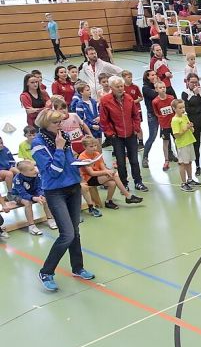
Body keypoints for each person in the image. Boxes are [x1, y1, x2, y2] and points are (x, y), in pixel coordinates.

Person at [30, 109, 95, 291]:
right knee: (67, 234)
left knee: (75, 231)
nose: (60, 126)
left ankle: (78, 267)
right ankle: (46, 272)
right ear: (45, 125)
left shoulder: (62, 136)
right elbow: (52, 171)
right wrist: (59, 148)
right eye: (56, 123)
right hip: (55, 192)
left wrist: (80, 164)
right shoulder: (38, 144)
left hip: (73, 187)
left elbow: (69, 160)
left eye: (60, 122)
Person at [99, 76, 147, 192]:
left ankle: (138, 182)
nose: (120, 88)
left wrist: (136, 128)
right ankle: (124, 183)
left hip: (131, 134)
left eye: (121, 86)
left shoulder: (129, 98)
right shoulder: (105, 101)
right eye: (117, 87)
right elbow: (104, 120)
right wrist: (110, 133)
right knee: (120, 162)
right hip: (117, 136)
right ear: (111, 88)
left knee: (134, 160)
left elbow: (135, 115)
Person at [76, 136, 142, 208]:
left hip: (98, 176)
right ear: (85, 147)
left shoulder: (97, 154)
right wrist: (107, 172)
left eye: (95, 145)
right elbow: (92, 173)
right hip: (88, 178)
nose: (94, 148)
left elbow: (103, 167)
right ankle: (128, 196)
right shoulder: (82, 157)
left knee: (112, 183)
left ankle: (108, 201)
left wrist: (107, 171)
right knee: (114, 175)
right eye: (91, 146)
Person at [11, 160, 56, 236]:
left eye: (34, 168)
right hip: (18, 195)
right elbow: (22, 193)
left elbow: (40, 187)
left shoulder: (37, 175)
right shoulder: (17, 179)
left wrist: (41, 195)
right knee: (27, 202)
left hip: (33, 193)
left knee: (45, 199)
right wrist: (34, 198)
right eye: (31, 170)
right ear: (22, 172)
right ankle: (31, 226)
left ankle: (50, 219)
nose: (35, 170)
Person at [181, 73, 201, 176]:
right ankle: (198, 166)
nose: (194, 84)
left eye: (196, 82)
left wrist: (197, 95)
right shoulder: (185, 93)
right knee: (196, 145)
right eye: (192, 82)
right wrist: (196, 100)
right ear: (187, 82)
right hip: (194, 121)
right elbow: (188, 109)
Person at [169, 100, 197, 192]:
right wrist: (185, 128)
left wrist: (191, 127)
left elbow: (191, 129)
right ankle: (183, 183)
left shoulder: (185, 117)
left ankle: (190, 179)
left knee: (189, 162)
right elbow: (176, 135)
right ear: (174, 109)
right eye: (180, 108)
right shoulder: (175, 120)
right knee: (183, 163)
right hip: (182, 144)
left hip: (189, 141)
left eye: (183, 107)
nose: (182, 110)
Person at [151, 81, 177, 172]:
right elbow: (156, 113)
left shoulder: (171, 98)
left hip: (173, 124)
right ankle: (166, 160)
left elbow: (175, 110)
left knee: (176, 140)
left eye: (164, 87)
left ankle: (180, 156)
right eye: (160, 87)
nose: (163, 89)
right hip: (164, 125)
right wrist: (162, 118)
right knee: (165, 142)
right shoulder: (155, 101)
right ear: (156, 90)